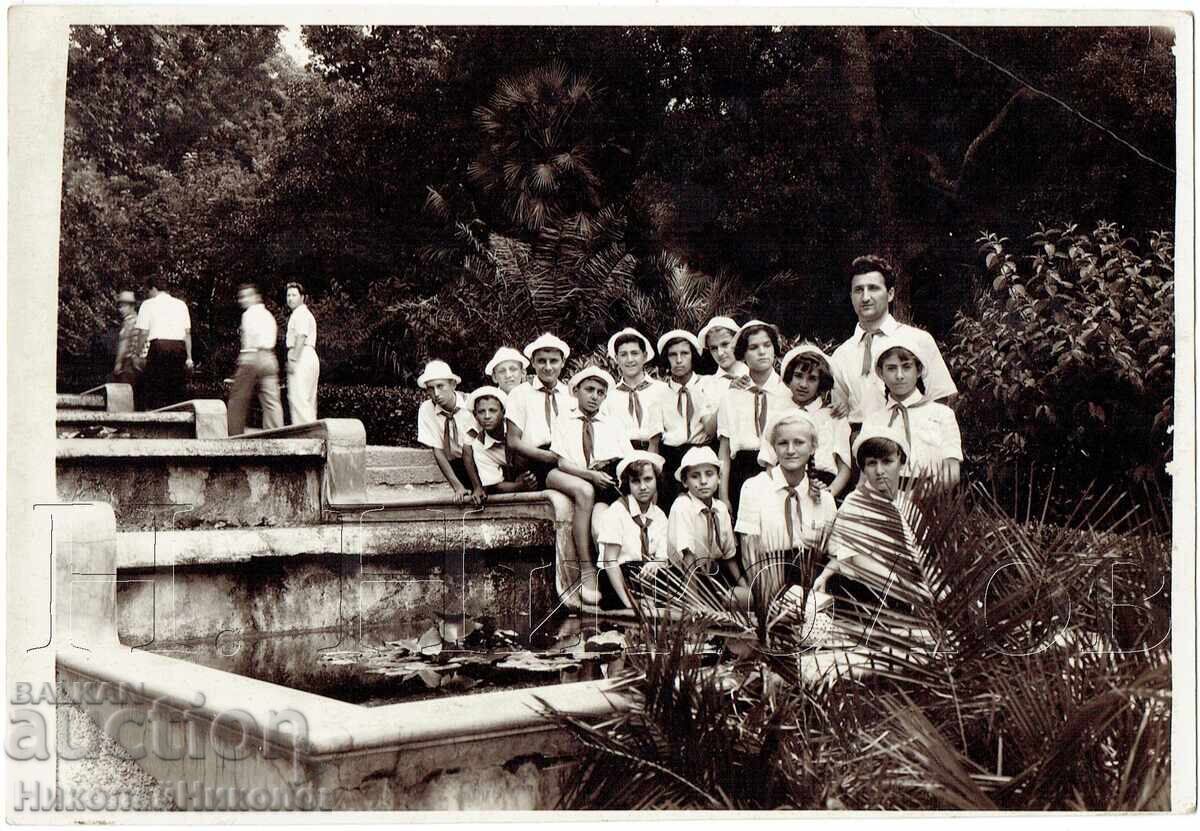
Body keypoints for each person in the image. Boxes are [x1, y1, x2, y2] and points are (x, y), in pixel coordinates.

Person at [505, 334, 600, 605]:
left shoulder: (572, 393)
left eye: (553, 361)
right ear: (532, 362)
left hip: (568, 455)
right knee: (583, 491)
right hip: (539, 457)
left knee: (601, 487)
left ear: (562, 363)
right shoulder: (520, 394)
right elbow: (513, 441)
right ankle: (586, 569)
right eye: (542, 361)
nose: (548, 367)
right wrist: (549, 457)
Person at [829, 255, 958, 440]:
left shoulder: (918, 340)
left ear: (890, 294)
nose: (865, 297)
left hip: (913, 439)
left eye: (873, 288)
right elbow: (839, 418)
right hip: (863, 449)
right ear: (851, 297)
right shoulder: (841, 355)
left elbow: (940, 399)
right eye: (858, 290)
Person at [814, 424, 924, 617]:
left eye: (887, 461)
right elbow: (856, 559)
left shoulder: (906, 506)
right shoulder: (855, 503)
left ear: (901, 462)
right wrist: (912, 591)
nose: (879, 470)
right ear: (863, 467)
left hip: (906, 592)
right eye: (872, 463)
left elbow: (920, 557)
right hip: (866, 591)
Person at [738, 411, 838, 604]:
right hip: (768, 583)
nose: (790, 450)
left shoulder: (824, 499)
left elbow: (835, 554)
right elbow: (748, 553)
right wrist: (769, 599)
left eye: (799, 442)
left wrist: (821, 584)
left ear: (813, 447)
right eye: (783, 443)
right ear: (774, 447)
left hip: (813, 587)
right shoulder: (754, 488)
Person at [861, 331, 963, 490]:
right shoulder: (873, 421)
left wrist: (921, 496)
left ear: (919, 370)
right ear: (881, 373)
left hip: (931, 499)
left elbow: (952, 471)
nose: (899, 375)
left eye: (907, 367)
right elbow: (864, 478)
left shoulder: (942, 415)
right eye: (891, 368)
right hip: (885, 502)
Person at [716, 320, 792, 519]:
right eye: (753, 347)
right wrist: (723, 495)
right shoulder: (731, 396)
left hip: (778, 468)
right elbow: (724, 450)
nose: (762, 352)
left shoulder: (788, 394)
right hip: (741, 470)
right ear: (742, 354)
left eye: (767, 345)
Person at [757, 344, 853, 499]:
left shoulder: (833, 416)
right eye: (798, 376)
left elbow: (845, 468)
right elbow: (769, 462)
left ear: (821, 382)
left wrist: (828, 494)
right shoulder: (778, 414)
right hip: (784, 486)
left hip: (823, 486)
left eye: (812, 379)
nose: (803, 384)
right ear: (789, 377)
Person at [667, 445, 749, 608]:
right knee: (737, 601)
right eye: (695, 476)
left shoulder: (720, 508)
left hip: (713, 574)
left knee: (752, 597)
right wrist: (696, 605)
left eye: (709, 474)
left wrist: (745, 587)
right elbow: (687, 558)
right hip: (684, 578)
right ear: (684, 481)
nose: (703, 481)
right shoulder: (682, 505)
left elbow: (729, 556)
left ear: (719, 478)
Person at [594, 451, 670, 611]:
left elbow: (663, 557)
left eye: (648, 479)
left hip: (645, 575)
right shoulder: (617, 511)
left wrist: (655, 563)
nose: (643, 487)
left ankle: (650, 604)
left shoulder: (659, 516)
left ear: (657, 480)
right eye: (636, 481)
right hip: (617, 576)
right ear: (628, 484)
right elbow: (610, 561)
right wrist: (629, 604)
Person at [657, 329, 717, 503]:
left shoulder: (708, 384)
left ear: (693, 356)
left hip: (703, 453)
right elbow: (655, 439)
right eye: (672, 355)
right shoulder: (660, 393)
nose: (679, 360)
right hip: (671, 457)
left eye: (684, 353)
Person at [415, 360, 480, 502]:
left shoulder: (472, 403)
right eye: (430, 388)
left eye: (440, 386)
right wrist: (457, 486)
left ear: (453, 385)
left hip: (480, 461)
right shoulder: (427, 409)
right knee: (464, 497)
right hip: (456, 465)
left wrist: (478, 485)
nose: (436, 393)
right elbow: (438, 451)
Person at [462, 386, 538, 506]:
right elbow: (494, 485)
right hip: (516, 482)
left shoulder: (519, 427)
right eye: (481, 412)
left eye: (493, 410)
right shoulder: (480, 445)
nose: (487, 416)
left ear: (503, 412)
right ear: (475, 415)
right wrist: (519, 486)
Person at [226, 283, 285, 435]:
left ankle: (234, 434)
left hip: (252, 357)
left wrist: (242, 362)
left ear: (255, 297)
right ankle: (277, 433)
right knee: (272, 402)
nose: (242, 300)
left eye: (246, 296)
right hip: (270, 358)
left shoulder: (248, 315)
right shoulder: (269, 315)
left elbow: (249, 342)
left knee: (237, 399)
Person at [134, 277, 193, 410]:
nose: (147, 294)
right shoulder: (181, 304)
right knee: (175, 386)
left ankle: (154, 415)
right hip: (179, 347)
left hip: (159, 346)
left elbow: (143, 333)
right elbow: (187, 333)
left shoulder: (148, 304)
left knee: (155, 384)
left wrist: (137, 354)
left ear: (153, 289)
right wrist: (189, 357)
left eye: (148, 291)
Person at [606, 327, 667, 452]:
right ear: (616, 359)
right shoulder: (609, 397)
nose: (629, 360)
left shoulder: (662, 390)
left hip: (660, 453)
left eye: (634, 353)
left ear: (644, 356)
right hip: (622, 456)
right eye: (623, 355)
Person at [284, 282, 320, 424]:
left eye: (294, 295)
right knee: (307, 400)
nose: (290, 298)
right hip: (307, 355)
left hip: (302, 355)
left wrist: (293, 360)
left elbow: (301, 336)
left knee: (299, 399)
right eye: (288, 295)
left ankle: (306, 437)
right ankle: (312, 435)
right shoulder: (301, 314)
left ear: (303, 297)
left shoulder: (301, 314)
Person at [111, 290, 143, 385]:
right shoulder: (141, 320)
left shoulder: (128, 322)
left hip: (129, 363)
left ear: (132, 307)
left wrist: (118, 363)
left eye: (123, 306)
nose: (120, 310)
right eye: (119, 307)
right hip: (140, 362)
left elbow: (124, 343)